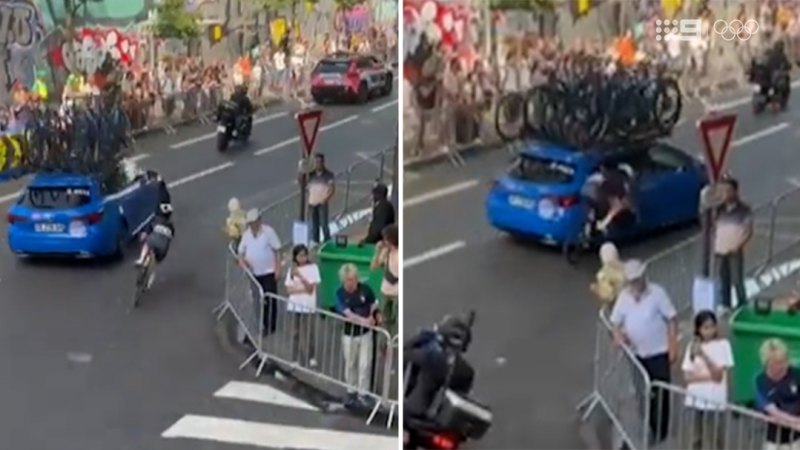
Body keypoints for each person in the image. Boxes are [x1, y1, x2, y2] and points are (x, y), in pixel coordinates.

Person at [609, 259, 678, 445]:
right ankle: (648, 424)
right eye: (632, 281)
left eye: (638, 279)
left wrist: (673, 345)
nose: (636, 284)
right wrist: (618, 336)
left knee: (660, 394)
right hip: (637, 354)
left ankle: (660, 432)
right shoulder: (624, 297)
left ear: (644, 276)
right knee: (642, 391)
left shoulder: (657, 293)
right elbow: (615, 322)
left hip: (658, 352)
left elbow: (671, 319)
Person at [404, 315, 475, 424]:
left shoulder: (429, 356)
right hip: (441, 423)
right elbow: (463, 396)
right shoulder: (467, 372)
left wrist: (423, 336)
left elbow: (406, 352)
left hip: (413, 412)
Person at [681, 310, 734, 450]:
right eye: (705, 327)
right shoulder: (691, 347)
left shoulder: (723, 345)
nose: (709, 331)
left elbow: (719, 376)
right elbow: (687, 377)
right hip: (695, 400)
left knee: (715, 440)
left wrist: (704, 355)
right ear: (698, 329)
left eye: (712, 326)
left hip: (714, 401)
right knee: (695, 439)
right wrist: (709, 376)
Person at [336, 263, 380, 407]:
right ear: (343, 280)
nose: (352, 282)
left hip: (366, 334)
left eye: (354, 279)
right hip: (350, 335)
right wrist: (365, 321)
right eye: (348, 280)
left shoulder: (365, 289)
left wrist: (374, 315)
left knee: (365, 364)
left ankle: (364, 393)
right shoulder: (340, 294)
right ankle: (351, 391)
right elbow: (348, 314)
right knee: (350, 363)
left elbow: (374, 303)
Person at [238, 209, 282, 338]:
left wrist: (278, 268)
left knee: (270, 299)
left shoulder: (269, 232)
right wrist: (242, 261)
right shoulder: (246, 235)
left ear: (259, 220)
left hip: (268, 271)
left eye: (255, 222)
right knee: (258, 299)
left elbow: (277, 250)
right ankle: (262, 324)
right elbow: (241, 252)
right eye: (251, 223)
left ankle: (271, 325)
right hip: (254, 273)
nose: (253, 225)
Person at [714, 178, 752, 313]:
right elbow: (711, 226)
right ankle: (726, 305)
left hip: (734, 250)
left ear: (735, 191)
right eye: (723, 191)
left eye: (728, 190)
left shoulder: (744, 209)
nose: (725, 194)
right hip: (720, 250)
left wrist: (738, 245)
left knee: (737, 279)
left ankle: (742, 304)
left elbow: (748, 230)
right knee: (723, 279)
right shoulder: (718, 209)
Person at [756, 338, 800, 450]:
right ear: (767, 362)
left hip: (796, 439)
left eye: (785, 360)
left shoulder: (796, 374)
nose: (784, 365)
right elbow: (773, 412)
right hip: (774, 441)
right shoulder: (760, 381)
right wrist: (796, 422)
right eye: (778, 363)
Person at [285, 244, 320, 368]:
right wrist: (302, 289)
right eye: (300, 255)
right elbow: (289, 290)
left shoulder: (313, 268)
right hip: (295, 305)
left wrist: (300, 277)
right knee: (296, 332)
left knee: (309, 332)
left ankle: (311, 356)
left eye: (304, 255)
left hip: (308, 305)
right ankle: (294, 358)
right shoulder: (291, 271)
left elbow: (311, 288)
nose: (303, 258)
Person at [135, 203, 176, 289]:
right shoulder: (171, 227)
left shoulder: (156, 219)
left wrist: (143, 235)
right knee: (156, 264)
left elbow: (146, 232)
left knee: (146, 244)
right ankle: (150, 279)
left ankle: (141, 260)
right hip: (163, 248)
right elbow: (170, 238)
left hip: (152, 241)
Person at [371, 224, 399, 334]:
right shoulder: (386, 252)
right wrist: (377, 252)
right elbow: (373, 267)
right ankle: (385, 345)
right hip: (386, 291)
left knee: (396, 321)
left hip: (397, 293)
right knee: (384, 322)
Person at [307, 153, 335, 244]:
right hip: (312, 203)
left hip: (322, 204)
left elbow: (332, 189)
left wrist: (325, 199)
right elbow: (303, 184)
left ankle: (327, 241)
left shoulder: (328, 175)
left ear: (323, 162)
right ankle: (315, 242)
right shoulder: (310, 175)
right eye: (316, 162)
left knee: (323, 224)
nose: (318, 164)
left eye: (319, 162)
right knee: (314, 225)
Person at [590, 242, 625, 307]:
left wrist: (596, 289)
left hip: (619, 304)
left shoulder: (602, 275)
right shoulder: (626, 267)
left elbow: (608, 297)